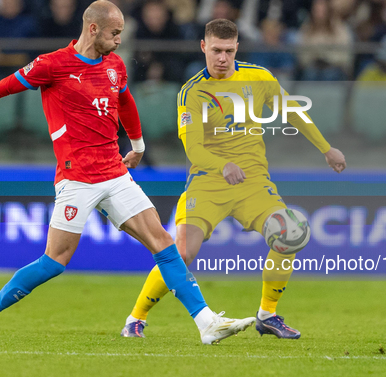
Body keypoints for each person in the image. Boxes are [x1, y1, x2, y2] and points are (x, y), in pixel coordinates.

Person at [0, 0, 255, 345]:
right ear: (93, 29)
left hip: (115, 173)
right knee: (55, 261)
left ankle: (206, 323)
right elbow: (3, 87)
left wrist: (137, 145)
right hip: (76, 178)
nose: (120, 40)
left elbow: (126, 102)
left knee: (164, 244)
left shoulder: (115, 66)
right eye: (115, 33)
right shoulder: (52, 65)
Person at [121, 18, 346, 339]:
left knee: (290, 235)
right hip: (207, 183)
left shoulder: (259, 78)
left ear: (237, 47)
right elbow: (194, 148)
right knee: (181, 252)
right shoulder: (192, 92)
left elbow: (292, 111)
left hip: (253, 183)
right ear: (203, 47)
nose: (222, 57)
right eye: (216, 50)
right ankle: (135, 319)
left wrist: (326, 148)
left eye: (228, 50)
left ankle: (268, 314)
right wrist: (222, 164)